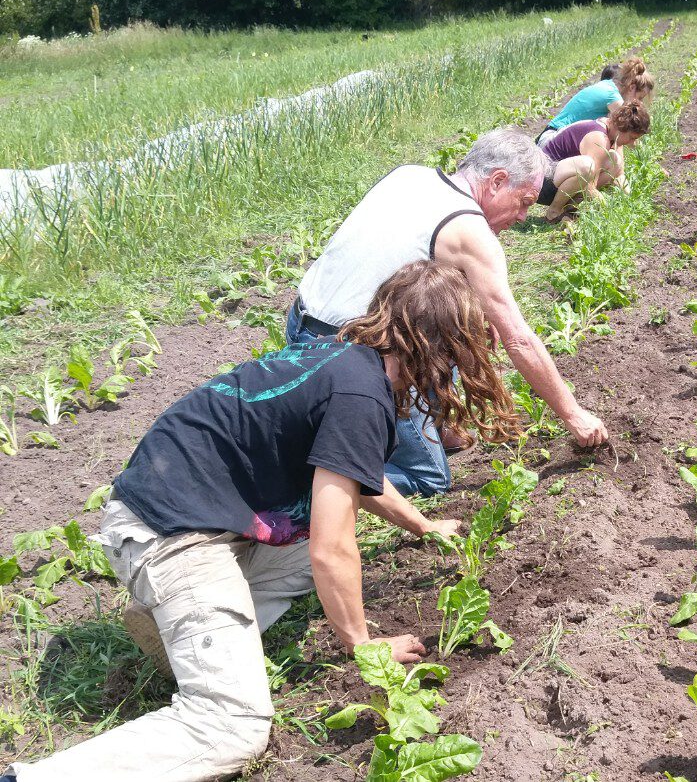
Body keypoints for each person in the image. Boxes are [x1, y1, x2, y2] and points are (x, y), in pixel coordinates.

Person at [4, 262, 521, 782]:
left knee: (307, 560)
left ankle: (174, 633)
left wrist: (423, 527)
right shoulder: (361, 393)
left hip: (185, 504)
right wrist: (362, 645)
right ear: (443, 346)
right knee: (233, 726)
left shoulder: (343, 359)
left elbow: (356, 471)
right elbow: (331, 546)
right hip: (169, 533)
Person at [288, 128, 609, 498]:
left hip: (301, 326)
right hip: (349, 359)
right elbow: (518, 337)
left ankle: (428, 424)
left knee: (460, 323)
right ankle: (317, 476)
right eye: (523, 202)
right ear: (497, 181)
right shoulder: (470, 231)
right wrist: (574, 415)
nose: (523, 216)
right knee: (429, 477)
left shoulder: (409, 175)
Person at [536, 100, 650, 222]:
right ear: (622, 128)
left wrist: (631, 200)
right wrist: (609, 212)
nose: (633, 144)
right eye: (632, 138)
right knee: (586, 166)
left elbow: (619, 175)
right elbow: (589, 185)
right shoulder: (599, 137)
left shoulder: (613, 134)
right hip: (541, 183)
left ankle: (568, 209)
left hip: (558, 180)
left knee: (615, 161)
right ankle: (554, 212)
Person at [536, 56, 654, 147]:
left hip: (553, 135)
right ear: (632, 87)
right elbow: (627, 135)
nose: (640, 103)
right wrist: (652, 163)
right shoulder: (613, 97)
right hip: (552, 140)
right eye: (640, 97)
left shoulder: (608, 86)